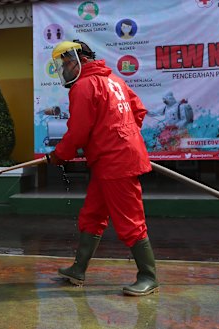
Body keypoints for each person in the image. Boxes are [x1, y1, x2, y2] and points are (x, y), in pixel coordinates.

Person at [48, 40, 159, 296]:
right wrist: (124, 137)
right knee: (93, 215)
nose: (63, 69)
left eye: (65, 63)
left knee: (130, 220)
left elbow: (77, 132)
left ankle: (148, 276)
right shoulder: (116, 82)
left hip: (116, 162)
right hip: (109, 160)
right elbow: (138, 111)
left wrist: (58, 155)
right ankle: (78, 270)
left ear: (79, 60)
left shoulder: (84, 87)